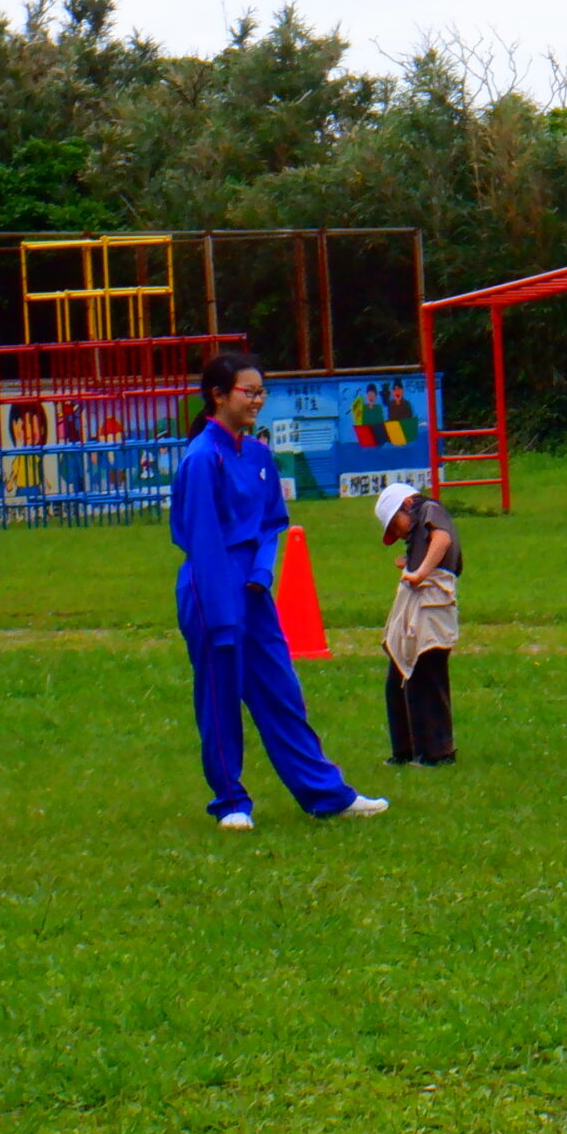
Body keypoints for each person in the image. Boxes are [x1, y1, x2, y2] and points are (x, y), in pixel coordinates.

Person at [169, 352, 386, 830]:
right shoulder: (203, 458)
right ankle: (230, 802)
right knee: (220, 695)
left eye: (261, 392)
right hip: (212, 590)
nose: (257, 400)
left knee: (281, 692)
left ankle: (326, 794)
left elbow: (271, 523)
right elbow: (201, 538)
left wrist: (262, 573)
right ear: (218, 395)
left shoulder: (261, 455)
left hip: (252, 589)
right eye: (248, 391)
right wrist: (222, 610)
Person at [375, 481, 459, 767]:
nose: (397, 533)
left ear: (406, 505)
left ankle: (436, 752)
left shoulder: (428, 508)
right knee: (400, 675)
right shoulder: (417, 525)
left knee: (426, 674)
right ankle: (406, 750)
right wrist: (409, 564)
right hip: (416, 603)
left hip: (431, 603)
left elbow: (442, 540)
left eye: (395, 525)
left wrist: (419, 572)